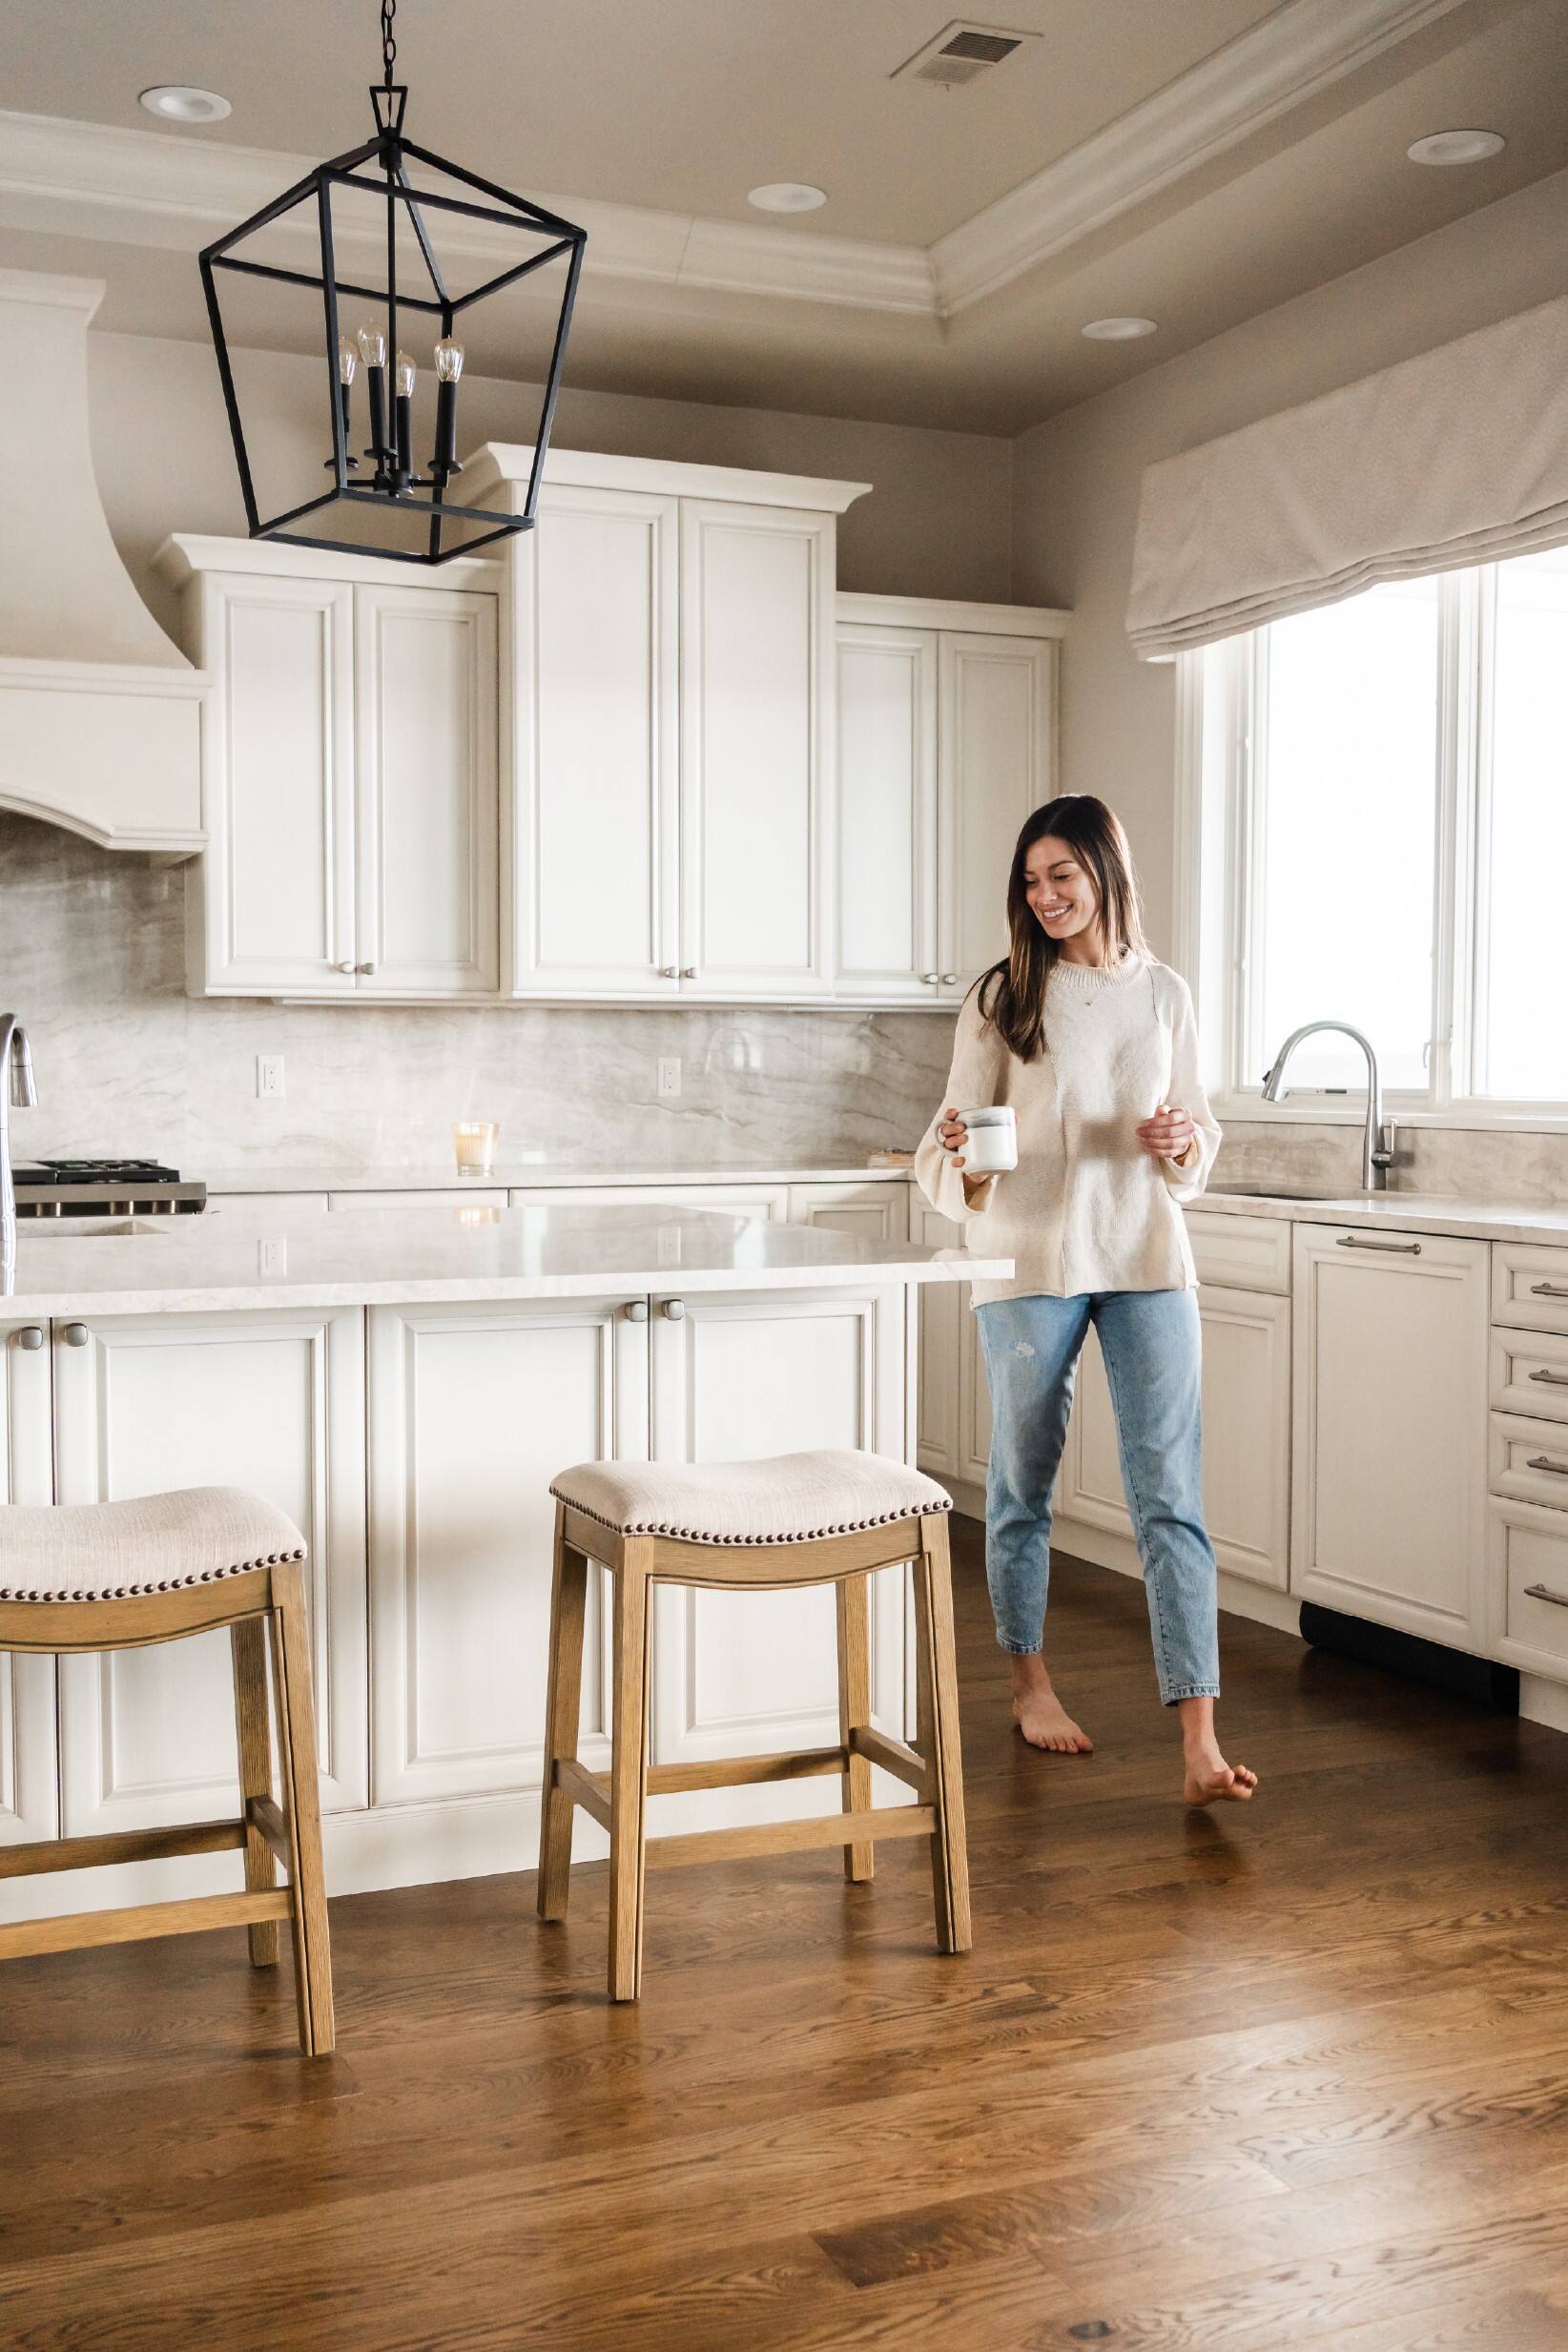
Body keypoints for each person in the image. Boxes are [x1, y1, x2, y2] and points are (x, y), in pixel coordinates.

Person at [915, 794, 1256, 1805]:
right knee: (1023, 1481)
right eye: (1031, 879)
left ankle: (1198, 1742)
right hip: (1026, 1257)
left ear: (1106, 871)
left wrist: (1182, 1146)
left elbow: (1194, 1132)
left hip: (1146, 1253)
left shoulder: (1164, 994)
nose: (1046, 895)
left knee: (1171, 1494)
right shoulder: (1002, 996)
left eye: (1062, 874)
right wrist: (956, 1155)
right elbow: (953, 1144)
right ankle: (1029, 1683)